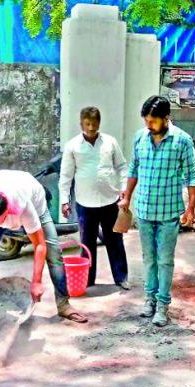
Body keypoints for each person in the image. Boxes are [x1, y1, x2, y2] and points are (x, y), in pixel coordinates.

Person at [119, 95, 195, 327]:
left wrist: (191, 209)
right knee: (148, 259)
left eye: (153, 122)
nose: (149, 126)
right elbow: (133, 169)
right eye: (146, 121)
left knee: (164, 260)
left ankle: (163, 305)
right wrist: (127, 198)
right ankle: (149, 299)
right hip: (144, 211)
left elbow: (192, 176)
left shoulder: (182, 141)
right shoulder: (140, 138)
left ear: (166, 118)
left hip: (168, 213)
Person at [0, 170, 88, 324]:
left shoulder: (23, 205)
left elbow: (39, 244)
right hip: (0, 186)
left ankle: (64, 305)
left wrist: (36, 281)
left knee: (54, 253)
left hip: (35, 201)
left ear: (8, 212)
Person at [59, 106, 130, 290]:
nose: (91, 128)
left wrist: (124, 189)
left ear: (99, 123)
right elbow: (66, 177)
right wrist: (64, 201)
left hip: (109, 200)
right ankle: (87, 280)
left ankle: (121, 277)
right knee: (87, 243)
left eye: (94, 123)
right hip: (85, 203)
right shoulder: (72, 146)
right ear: (81, 123)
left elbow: (122, 166)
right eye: (87, 123)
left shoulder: (110, 142)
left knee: (115, 240)